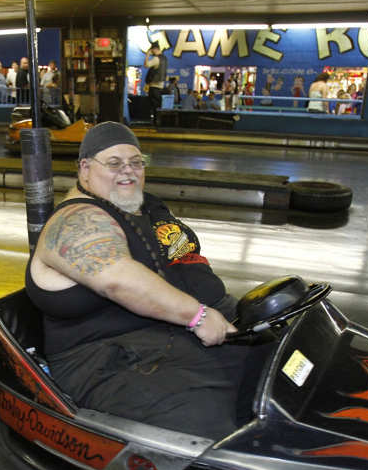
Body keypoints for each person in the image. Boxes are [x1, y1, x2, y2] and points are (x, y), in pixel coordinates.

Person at [25, 122, 271, 437]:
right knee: (208, 425)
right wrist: (197, 315)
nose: (127, 171)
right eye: (113, 164)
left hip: (163, 337)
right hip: (105, 360)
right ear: (85, 169)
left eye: (136, 162)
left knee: (276, 362)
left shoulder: (144, 205)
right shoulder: (76, 220)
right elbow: (116, 278)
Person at [143, 43, 165, 124]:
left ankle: (155, 122)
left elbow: (146, 65)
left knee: (153, 105)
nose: (152, 52)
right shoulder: (164, 58)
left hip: (154, 85)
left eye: (152, 50)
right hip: (161, 86)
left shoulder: (156, 59)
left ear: (155, 49)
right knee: (158, 105)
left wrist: (147, 55)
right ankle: (158, 121)